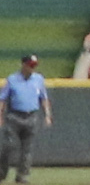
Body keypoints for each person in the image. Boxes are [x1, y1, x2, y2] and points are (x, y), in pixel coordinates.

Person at [3, 55, 44, 184]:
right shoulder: (12, 79)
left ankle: (22, 176)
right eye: (30, 65)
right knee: (9, 147)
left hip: (31, 116)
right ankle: (1, 174)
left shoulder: (38, 79)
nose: (32, 68)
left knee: (28, 149)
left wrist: (48, 114)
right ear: (24, 65)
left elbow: (43, 97)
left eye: (34, 65)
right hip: (14, 116)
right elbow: (2, 98)